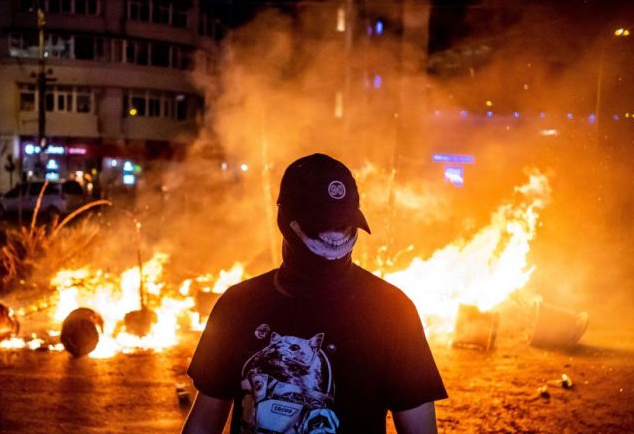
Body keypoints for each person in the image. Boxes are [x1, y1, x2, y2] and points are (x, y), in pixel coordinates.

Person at [182, 153, 447, 434]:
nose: (336, 233)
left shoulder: (392, 310)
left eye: (344, 221)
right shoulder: (238, 305)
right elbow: (202, 423)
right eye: (323, 222)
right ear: (286, 219)